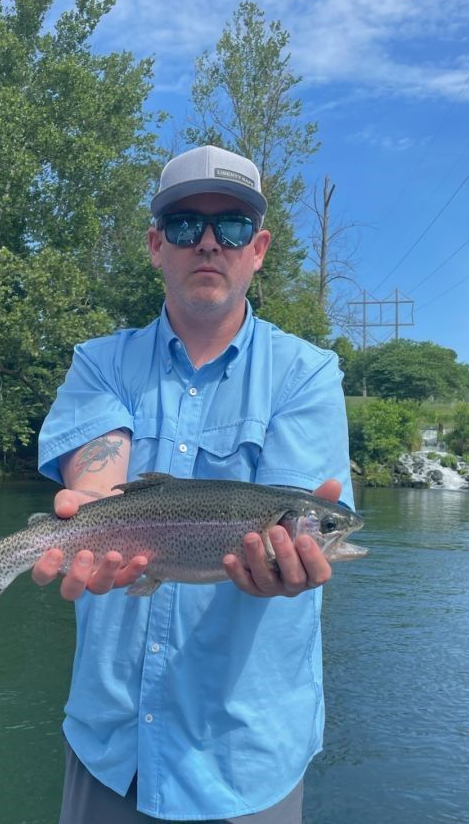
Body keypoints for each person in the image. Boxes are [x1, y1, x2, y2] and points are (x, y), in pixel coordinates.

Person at [35, 144, 354, 823]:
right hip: (110, 744)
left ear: (258, 249)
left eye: (232, 226)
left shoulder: (306, 374)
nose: (208, 242)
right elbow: (98, 479)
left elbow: (292, 542)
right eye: (184, 225)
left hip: (242, 757)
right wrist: (90, 516)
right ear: (157, 245)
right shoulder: (99, 363)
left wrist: (295, 558)